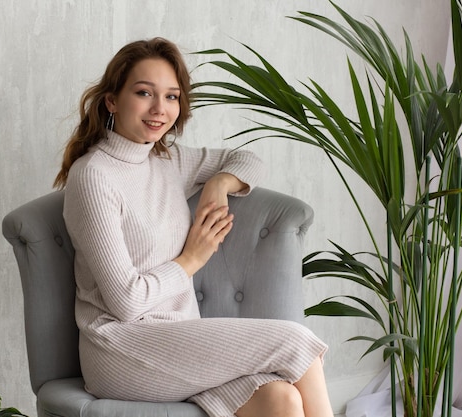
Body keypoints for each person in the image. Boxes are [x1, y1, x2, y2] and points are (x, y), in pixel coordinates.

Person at [53, 37, 334, 417]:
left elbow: (246, 159)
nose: (160, 109)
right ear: (111, 101)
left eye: (172, 96)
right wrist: (191, 260)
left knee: (281, 400)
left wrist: (219, 183)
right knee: (296, 341)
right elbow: (127, 302)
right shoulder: (94, 176)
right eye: (144, 93)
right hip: (120, 347)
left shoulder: (169, 161)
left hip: (176, 343)